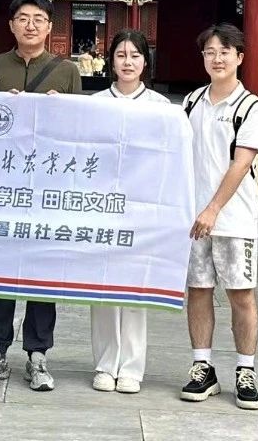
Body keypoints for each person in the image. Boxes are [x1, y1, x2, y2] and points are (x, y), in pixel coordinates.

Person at [0, 0, 82, 392]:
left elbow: (78, 133)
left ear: (50, 27)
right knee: (1, 272)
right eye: (23, 18)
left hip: (46, 188)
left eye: (38, 19)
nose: (30, 25)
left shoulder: (67, 72)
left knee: (42, 272)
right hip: (4, 187)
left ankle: (38, 354)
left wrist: (59, 109)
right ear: (11, 25)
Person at [179, 23, 258, 410]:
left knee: (241, 295)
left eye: (224, 51)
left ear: (239, 57)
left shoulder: (250, 108)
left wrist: (213, 209)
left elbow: (240, 164)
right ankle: (203, 366)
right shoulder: (191, 102)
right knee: (198, 290)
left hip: (234, 219)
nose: (217, 58)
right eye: (210, 52)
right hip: (193, 219)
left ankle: (246, 369)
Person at [89, 30, 169, 395]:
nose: (127, 62)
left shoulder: (160, 106)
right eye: (120, 55)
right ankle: (106, 364)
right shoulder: (95, 104)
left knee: (135, 289)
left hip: (142, 208)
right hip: (103, 207)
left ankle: (132, 367)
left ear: (145, 62)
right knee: (104, 287)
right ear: (110, 61)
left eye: (135, 55)